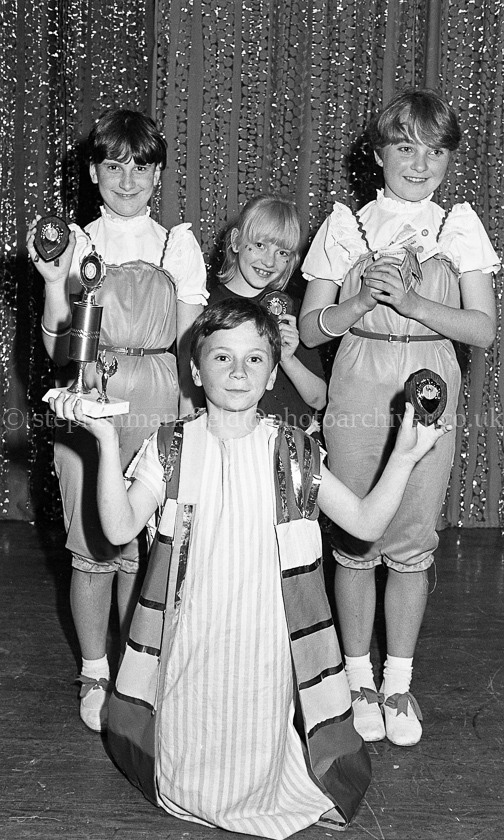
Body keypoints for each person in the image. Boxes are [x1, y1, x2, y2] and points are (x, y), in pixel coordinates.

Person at [48, 299, 450, 838]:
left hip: (265, 643)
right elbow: (119, 531)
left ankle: (262, 786)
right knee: (192, 740)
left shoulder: (292, 451)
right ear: (195, 369)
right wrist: (100, 441)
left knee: (257, 730)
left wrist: (404, 457)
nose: (238, 371)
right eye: (222, 358)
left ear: (270, 374)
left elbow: (365, 523)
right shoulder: (170, 446)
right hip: (193, 637)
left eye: (255, 360)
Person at [299, 89, 500, 747]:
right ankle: (356, 677)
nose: (419, 163)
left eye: (435, 149)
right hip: (357, 385)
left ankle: (396, 681)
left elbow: (481, 330)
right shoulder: (345, 226)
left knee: (412, 543)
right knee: (357, 541)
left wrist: (413, 301)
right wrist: (358, 304)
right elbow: (308, 328)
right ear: (378, 153)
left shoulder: (457, 227)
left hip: (429, 384)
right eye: (405, 147)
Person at [26, 109, 207, 732]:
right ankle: (96, 670)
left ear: (158, 175)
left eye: (141, 166)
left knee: (147, 546)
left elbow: (191, 346)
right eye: (113, 166)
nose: (126, 179)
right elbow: (57, 345)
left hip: (159, 398)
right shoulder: (75, 243)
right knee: (92, 549)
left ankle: (139, 663)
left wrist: (194, 417)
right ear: (95, 172)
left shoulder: (174, 244)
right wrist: (55, 284)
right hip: (89, 400)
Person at [209, 195, 326, 432]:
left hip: (292, 436)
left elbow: (319, 399)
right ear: (235, 241)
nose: (269, 261)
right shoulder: (206, 305)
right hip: (232, 436)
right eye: (260, 245)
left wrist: (288, 358)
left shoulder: (292, 310)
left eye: (282, 252)